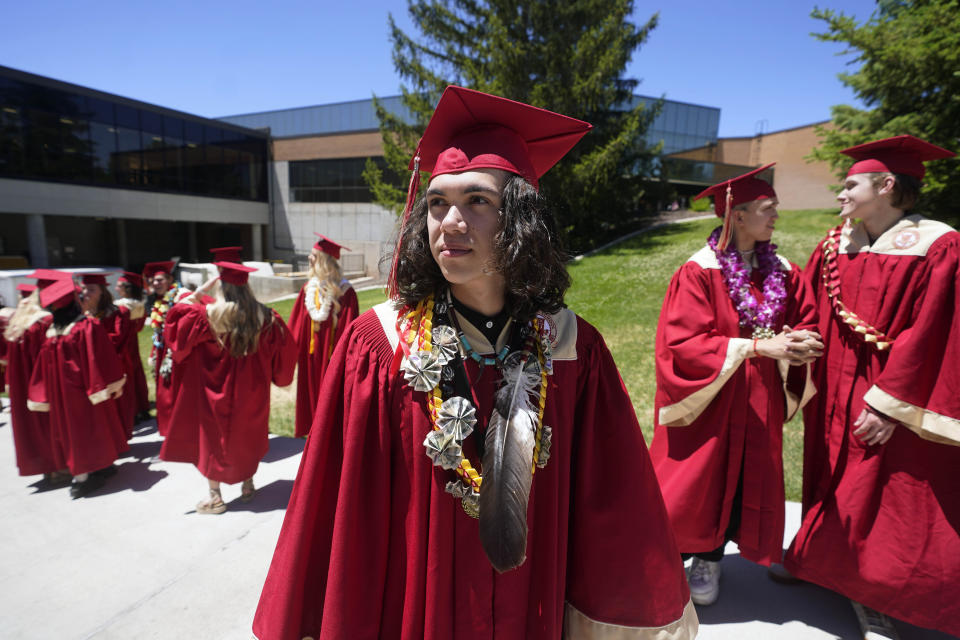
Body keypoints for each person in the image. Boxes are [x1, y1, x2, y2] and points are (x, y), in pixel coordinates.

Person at [253, 86, 697, 640]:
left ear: (520, 219)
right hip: (416, 605)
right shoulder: (379, 343)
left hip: (531, 601)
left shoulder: (570, 347)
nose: (450, 222)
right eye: (437, 203)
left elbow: (611, 500)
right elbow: (338, 512)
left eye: (477, 201)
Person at [783, 135, 960, 638]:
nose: (841, 194)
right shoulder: (837, 242)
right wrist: (799, 341)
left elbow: (936, 333)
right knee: (831, 477)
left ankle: (875, 591)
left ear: (886, 186)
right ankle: (818, 562)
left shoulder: (938, 243)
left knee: (885, 491)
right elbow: (812, 306)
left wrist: (889, 405)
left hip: (889, 395)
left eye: (851, 184)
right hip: (833, 386)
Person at [648, 165, 823, 607]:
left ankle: (716, 559)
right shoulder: (700, 271)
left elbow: (804, 317)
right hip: (712, 395)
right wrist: (760, 348)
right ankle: (679, 557)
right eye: (768, 209)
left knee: (748, 476)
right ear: (737, 216)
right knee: (698, 480)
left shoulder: (781, 268)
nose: (776, 217)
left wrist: (802, 339)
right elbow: (683, 342)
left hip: (760, 393)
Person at [158, 262, 296, 513]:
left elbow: (175, 325)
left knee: (213, 442)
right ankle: (247, 486)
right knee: (248, 437)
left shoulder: (206, 316)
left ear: (221, 286)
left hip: (213, 393)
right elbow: (286, 354)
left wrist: (197, 293)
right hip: (252, 394)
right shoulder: (266, 317)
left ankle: (215, 497)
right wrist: (279, 377)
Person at [27, 274, 128, 498]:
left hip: (62, 395)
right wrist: (111, 381)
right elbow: (99, 357)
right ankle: (83, 480)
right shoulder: (85, 327)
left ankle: (94, 469)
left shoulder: (52, 333)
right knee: (93, 428)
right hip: (86, 390)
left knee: (73, 432)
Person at [287, 233, 359, 437]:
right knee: (311, 402)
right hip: (310, 359)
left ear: (323, 261)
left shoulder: (345, 292)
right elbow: (294, 327)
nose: (309, 259)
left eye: (313, 255)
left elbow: (349, 332)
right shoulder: (308, 289)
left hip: (331, 359)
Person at [2, 272, 65, 485]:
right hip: (41, 383)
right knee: (48, 423)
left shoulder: (20, 322)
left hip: (22, 384)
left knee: (31, 426)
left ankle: (46, 468)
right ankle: (58, 467)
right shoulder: (44, 322)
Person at [80, 273, 137, 436]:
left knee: (116, 403)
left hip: (114, 363)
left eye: (91, 289)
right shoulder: (80, 314)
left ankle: (118, 439)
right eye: (83, 288)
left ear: (102, 292)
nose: (85, 292)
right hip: (91, 365)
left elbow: (117, 339)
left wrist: (93, 329)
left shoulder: (118, 313)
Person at [144, 260, 189, 436]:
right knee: (163, 390)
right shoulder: (158, 301)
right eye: (153, 281)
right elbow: (157, 331)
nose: (156, 284)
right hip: (162, 350)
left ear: (170, 279)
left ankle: (180, 429)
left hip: (177, 351)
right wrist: (153, 352)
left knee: (176, 390)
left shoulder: (180, 297)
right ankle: (168, 428)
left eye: (160, 280)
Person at [114, 271, 150, 423]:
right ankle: (142, 408)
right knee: (137, 375)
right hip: (133, 341)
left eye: (118, 286)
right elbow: (140, 327)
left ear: (126, 288)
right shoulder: (140, 305)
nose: (116, 289)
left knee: (127, 377)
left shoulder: (121, 307)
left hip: (124, 344)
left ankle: (132, 411)